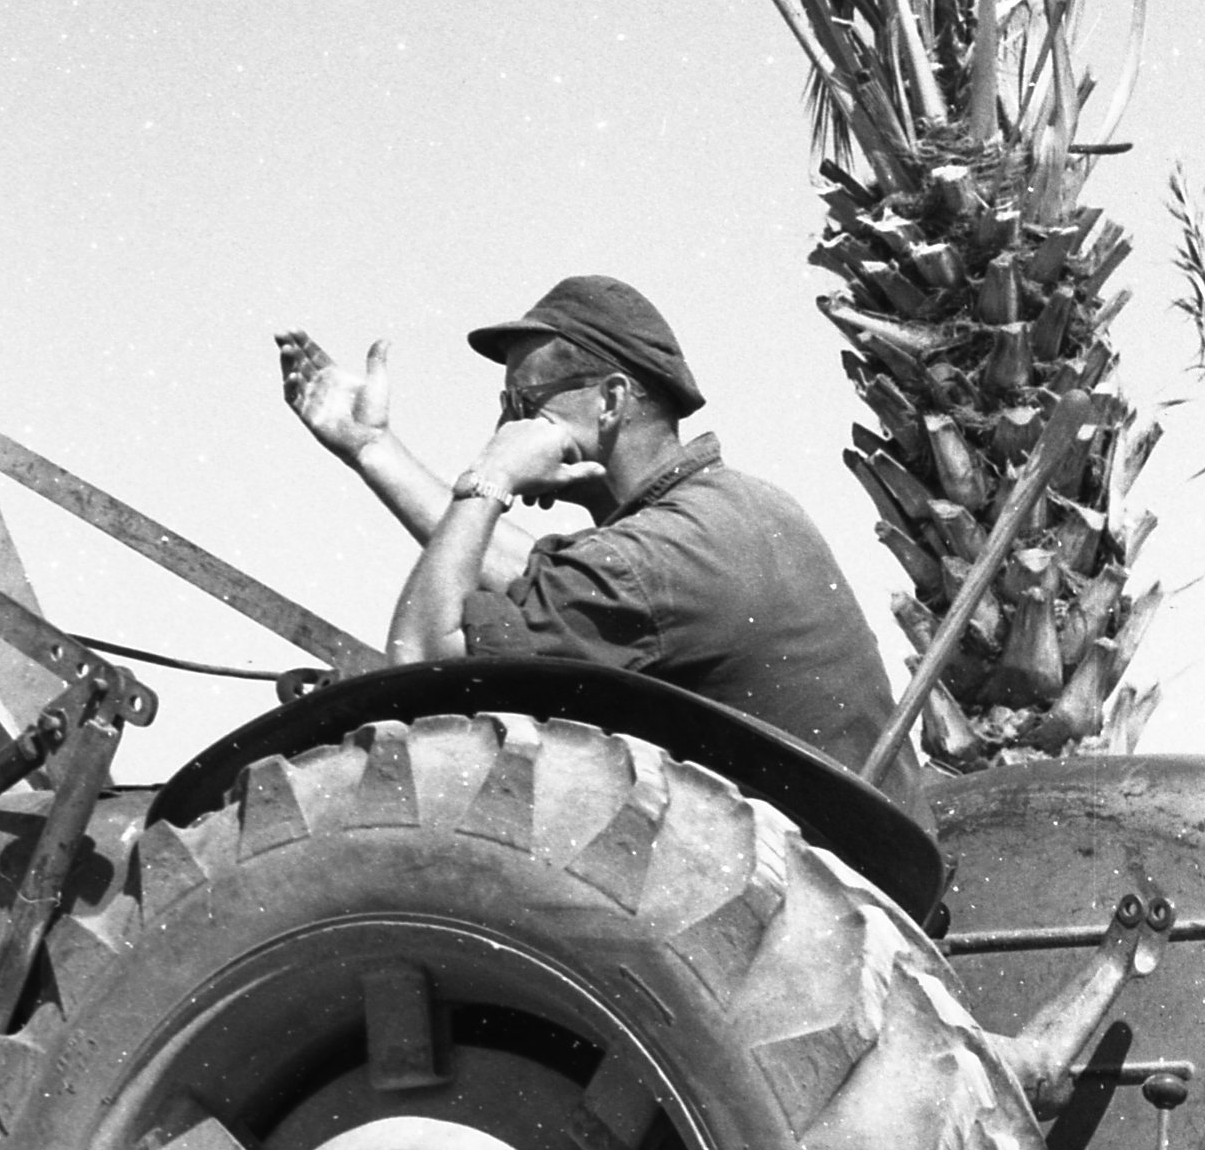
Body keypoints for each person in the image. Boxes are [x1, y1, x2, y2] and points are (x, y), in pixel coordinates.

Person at [279, 272, 911, 792]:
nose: (506, 425)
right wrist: (373, 449)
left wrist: (493, 472)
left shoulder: (653, 560)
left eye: (522, 406)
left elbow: (418, 660)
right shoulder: (731, 508)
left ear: (610, 400)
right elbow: (534, 574)